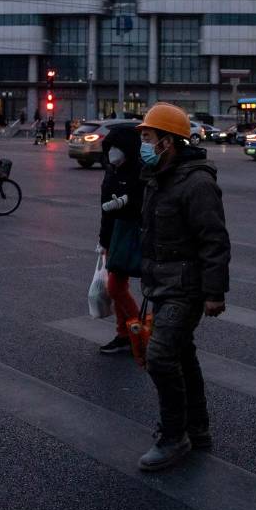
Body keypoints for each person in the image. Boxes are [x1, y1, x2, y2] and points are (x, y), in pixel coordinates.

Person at [136, 103, 230, 472]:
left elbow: (214, 240)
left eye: (148, 137)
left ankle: (174, 435)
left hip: (185, 288)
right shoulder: (157, 176)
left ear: (168, 141)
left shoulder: (197, 183)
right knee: (182, 354)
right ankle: (197, 427)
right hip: (162, 283)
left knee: (160, 358)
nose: (144, 144)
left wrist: (214, 293)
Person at [96, 124, 145, 354]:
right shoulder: (112, 170)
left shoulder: (139, 171)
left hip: (132, 233)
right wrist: (103, 240)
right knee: (117, 286)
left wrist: (126, 203)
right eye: (110, 147)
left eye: (117, 147)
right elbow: (106, 210)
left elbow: (142, 204)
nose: (112, 151)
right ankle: (126, 334)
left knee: (116, 287)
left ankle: (137, 331)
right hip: (115, 233)